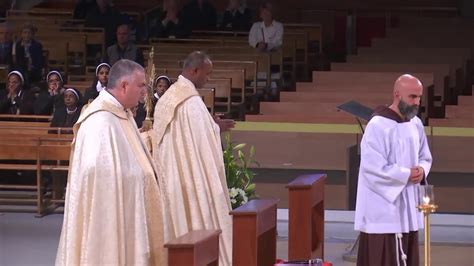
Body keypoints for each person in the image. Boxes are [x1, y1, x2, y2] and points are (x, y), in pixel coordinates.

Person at [56, 59, 167, 265]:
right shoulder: (100, 121)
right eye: (141, 85)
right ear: (124, 85)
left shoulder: (122, 113)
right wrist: (134, 177)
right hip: (110, 217)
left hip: (128, 209)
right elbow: (95, 173)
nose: (145, 91)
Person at [152, 51, 232, 266]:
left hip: (171, 175)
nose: (208, 79)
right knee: (197, 217)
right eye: (207, 74)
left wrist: (211, 125)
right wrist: (216, 128)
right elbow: (202, 140)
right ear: (195, 70)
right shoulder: (191, 101)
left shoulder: (170, 96)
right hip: (191, 178)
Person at [355, 74, 433, 266]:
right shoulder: (378, 125)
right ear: (397, 94)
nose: (417, 102)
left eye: (419, 97)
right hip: (384, 208)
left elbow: (425, 156)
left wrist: (422, 170)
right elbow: (372, 168)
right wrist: (406, 174)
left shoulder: (415, 124)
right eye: (412, 97)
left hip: (408, 205)